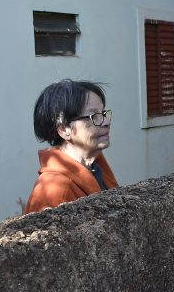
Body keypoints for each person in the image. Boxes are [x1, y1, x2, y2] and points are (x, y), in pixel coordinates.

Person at [24, 79, 118, 214]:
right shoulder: (55, 190)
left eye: (103, 113)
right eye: (93, 116)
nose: (106, 122)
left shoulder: (95, 166)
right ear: (64, 129)